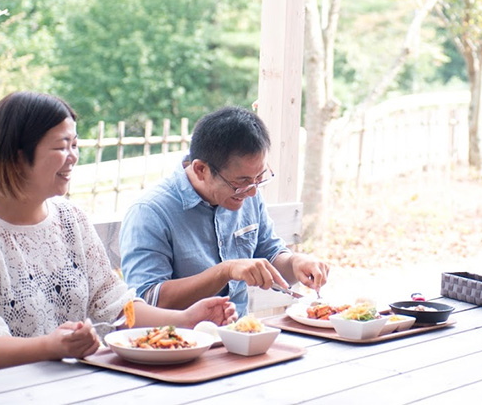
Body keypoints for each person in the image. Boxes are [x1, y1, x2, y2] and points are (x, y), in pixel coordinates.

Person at [0, 92, 236, 381]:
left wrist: (183, 319)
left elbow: (113, 305)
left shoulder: (69, 219)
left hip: (69, 386)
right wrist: (50, 347)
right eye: (62, 146)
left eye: (75, 145)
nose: (73, 156)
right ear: (17, 155)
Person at [120, 106, 330, 315]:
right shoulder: (149, 213)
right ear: (201, 169)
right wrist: (225, 271)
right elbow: (147, 299)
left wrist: (295, 263)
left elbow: (269, 252)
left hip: (241, 334)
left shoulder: (248, 193)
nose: (252, 192)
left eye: (259, 178)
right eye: (241, 182)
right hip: (179, 342)